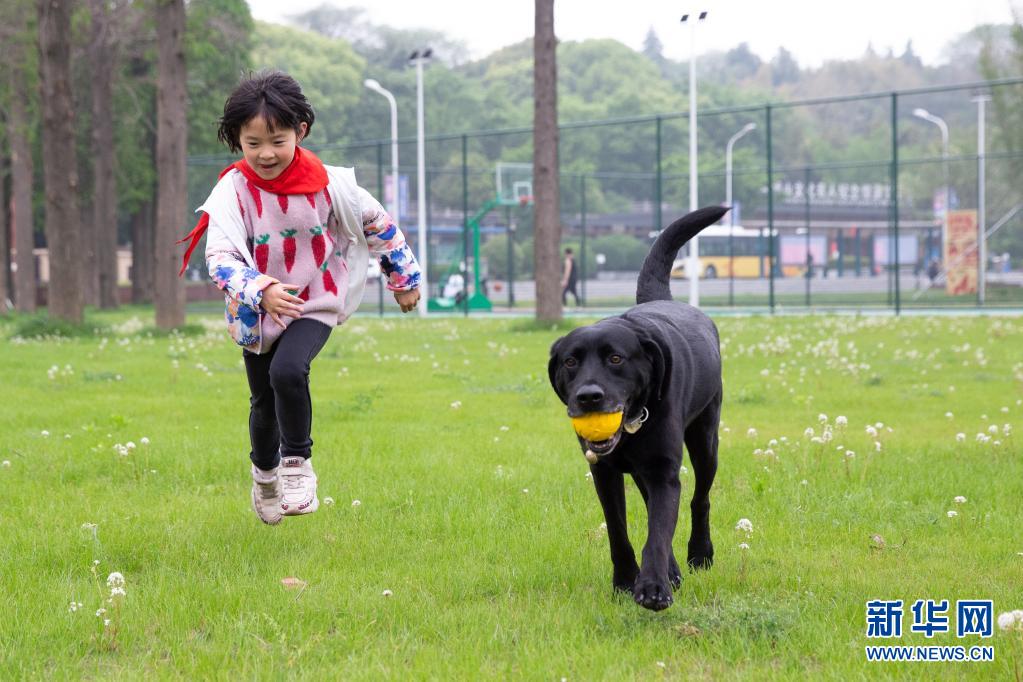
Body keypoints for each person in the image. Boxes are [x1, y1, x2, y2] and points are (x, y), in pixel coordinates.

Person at [178, 70, 421, 525]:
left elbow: (378, 223)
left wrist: (403, 279)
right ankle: (265, 476)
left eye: (278, 141)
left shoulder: (330, 185)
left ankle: (296, 466)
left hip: (315, 299)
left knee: (288, 372)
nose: (265, 154)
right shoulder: (232, 191)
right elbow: (220, 256)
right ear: (237, 139)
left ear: (300, 131)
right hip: (257, 312)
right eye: (253, 143)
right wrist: (262, 289)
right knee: (262, 403)